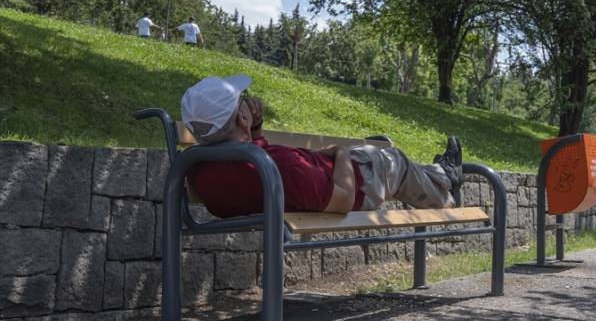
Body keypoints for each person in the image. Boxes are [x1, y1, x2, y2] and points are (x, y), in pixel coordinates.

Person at [180, 74, 463, 219]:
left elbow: (252, 161)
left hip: (313, 175)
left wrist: (252, 129)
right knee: (395, 160)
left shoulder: (200, 172)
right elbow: (341, 199)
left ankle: (438, 172)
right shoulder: (279, 166)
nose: (250, 101)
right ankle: (446, 182)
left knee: (378, 154)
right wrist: (340, 152)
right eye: (245, 99)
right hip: (357, 183)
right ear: (241, 116)